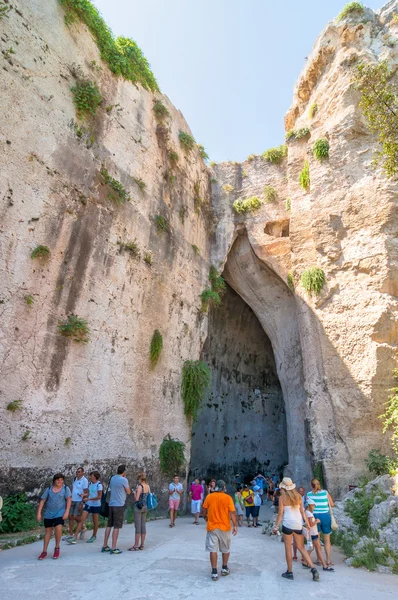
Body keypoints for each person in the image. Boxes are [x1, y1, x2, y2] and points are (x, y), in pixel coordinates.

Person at [272, 477, 319, 582]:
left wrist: (276, 526)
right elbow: (302, 512)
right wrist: (307, 524)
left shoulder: (282, 498)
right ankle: (313, 568)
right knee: (301, 547)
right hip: (298, 524)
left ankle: (289, 572)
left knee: (288, 548)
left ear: (283, 488)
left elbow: (280, 513)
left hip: (287, 524)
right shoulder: (298, 496)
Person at [202, 479, 237, 580]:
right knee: (225, 549)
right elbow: (232, 513)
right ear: (224, 488)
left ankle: (214, 572)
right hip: (225, 527)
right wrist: (235, 525)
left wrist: (205, 518)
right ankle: (224, 568)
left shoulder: (209, 497)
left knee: (213, 550)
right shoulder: (228, 498)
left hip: (212, 527)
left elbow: (204, 509)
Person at [37, 473, 71, 560]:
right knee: (48, 531)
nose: (59, 481)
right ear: (54, 480)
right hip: (49, 513)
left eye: (61, 480)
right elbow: (42, 501)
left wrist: (67, 512)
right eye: (58, 480)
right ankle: (44, 551)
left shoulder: (65, 488)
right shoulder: (48, 489)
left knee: (58, 528)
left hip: (60, 513)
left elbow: (69, 500)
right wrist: (39, 513)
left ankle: (57, 547)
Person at [101, 464, 131, 555]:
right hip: (119, 505)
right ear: (124, 472)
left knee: (109, 525)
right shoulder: (124, 480)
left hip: (111, 504)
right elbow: (128, 491)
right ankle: (113, 547)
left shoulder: (112, 478)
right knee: (117, 526)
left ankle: (105, 545)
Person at [68, 471, 102, 544]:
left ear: (95, 477)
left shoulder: (99, 485)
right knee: (81, 520)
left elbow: (99, 496)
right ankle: (75, 537)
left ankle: (94, 536)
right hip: (88, 504)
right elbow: (89, 493)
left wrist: (88, 499)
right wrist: (84, 495)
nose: (90, 477)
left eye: (91, 476)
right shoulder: (90, 484)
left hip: (96, 505)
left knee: (95, 520)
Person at [307, 478, 335, 567]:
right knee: (327, 539)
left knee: (317, 539)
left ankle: (319, 559)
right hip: (325, 516)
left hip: (315, 517)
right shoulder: (325, 493)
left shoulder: (309, 494)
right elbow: (332, 504)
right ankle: (328, 560)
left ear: (311, 485)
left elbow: (309, 507)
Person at [303, 500, 334, 571]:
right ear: (310, 505)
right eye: (313, 505)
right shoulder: (310, 514)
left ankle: (305, 561)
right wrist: (317, 521)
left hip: (311, 533)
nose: (314, 507)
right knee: (317, 548)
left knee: (312, 548)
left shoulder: (306, 512)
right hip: (313, 533)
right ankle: (324, 566)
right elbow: (311, 524)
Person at [129, 471, 150, 550]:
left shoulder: (140, 486)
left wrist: (134, 493)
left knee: (137, 526)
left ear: (140, 479)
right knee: (143, 525)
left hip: (138, 507)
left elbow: (137, 498)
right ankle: (142, 544)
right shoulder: (147, 486)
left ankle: (136, 545)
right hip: (145, 506)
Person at [67, 466, 88, 540]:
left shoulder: (84, 480)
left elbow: (85, 492)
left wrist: (82, 503)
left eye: (79, 472)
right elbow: (73, 489)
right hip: (73, 499)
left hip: (79, 500)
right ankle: (70, 534)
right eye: (77, 471)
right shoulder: (75, 479)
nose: (77, 473)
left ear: (83, 473)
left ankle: (82, 527)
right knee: (70, 517)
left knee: (75, 516)